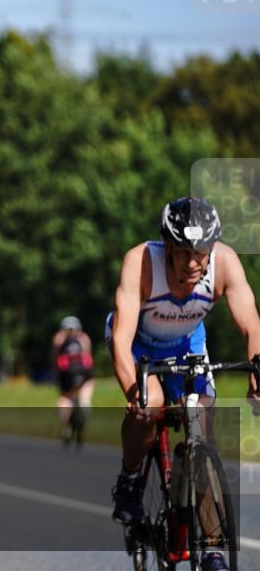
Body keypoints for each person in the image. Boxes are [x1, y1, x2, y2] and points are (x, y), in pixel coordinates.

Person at [108, 197, 260, 571]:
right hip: (141, 347)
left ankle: (211, 549)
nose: (193, 262)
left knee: (203, 429)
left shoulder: (224, 263)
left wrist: (257, 377)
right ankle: (130, 479)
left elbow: (252, 325)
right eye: (183, 253)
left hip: (188, 344)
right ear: (168, 247)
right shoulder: (140, 262)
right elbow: (121, 339)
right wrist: (135, 391)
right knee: (150, 408)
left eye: (201, 252)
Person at [52, 316, 94, 439]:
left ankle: (66, 425)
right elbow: (88, 357)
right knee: (87, 385)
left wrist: (55, 375)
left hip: (66, 372)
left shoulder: (58, 338)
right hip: (84, 371)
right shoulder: (84, 338)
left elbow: (54, 358)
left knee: (65, 397)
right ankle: (85, 402)